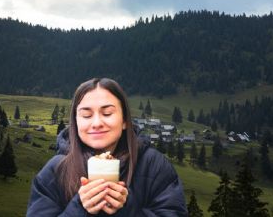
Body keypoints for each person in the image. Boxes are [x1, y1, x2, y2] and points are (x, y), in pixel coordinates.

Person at [27, 78, 187, 216]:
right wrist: (79, 208)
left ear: (124, 120)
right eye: (86, 115)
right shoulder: (55, 170)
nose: (96, 123)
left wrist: (127, 211)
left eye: (107, 113)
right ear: (76, 122)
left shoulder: (154, 165)